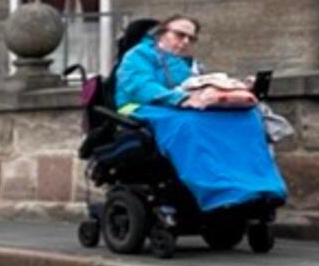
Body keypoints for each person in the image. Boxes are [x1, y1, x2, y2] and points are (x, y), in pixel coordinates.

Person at [113, 14, 288, 212]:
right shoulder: (138, 55)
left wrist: (236, 88)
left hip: (181, 106)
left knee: (246, 118)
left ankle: (260, 187)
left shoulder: (190, 64)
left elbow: (201, 86)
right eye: (180, 35)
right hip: (141, 106)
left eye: (191, 38)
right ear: (161, 34)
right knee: (189, 124)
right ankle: (219, 192)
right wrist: (180, 99)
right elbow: (140, 87)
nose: (185, 42)